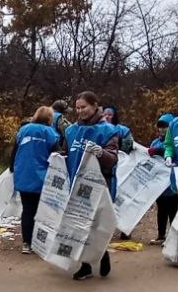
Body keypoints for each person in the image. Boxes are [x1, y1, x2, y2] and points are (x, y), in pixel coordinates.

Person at [63, 91, 121, 281]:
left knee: (97, 224)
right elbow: (66, 153)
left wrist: (101, 153)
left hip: (100, 185)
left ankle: (102, 253)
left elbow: (112, 159)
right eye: (78, 108)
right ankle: (85, 265)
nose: (80, 111)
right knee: (82, 226)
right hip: (76, 185)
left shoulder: (108, 130)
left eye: (84, 107)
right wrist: (58, 158)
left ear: (95, 105)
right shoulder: (71, 131)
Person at [9, 106, 61, 254]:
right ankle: (41, 242)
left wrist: (12, 168)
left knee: (27, 210)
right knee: (42, 211)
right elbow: (55, 157)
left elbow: (14, 152)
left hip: (24, 175)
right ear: (49, 118)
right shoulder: (51, 134)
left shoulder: (24, 130)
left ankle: (26, 243)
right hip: (42, 177)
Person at [148, 113, 178, 245]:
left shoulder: (175, 140)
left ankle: (173, 237)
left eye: (165, 126)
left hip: (172, 183)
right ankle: (161, 235)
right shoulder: (155, 142)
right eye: (160, 126)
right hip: (159, 183)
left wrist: (158, 151)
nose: (162, 129)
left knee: (173, 210)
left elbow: (173, 152)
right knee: (161, 210)